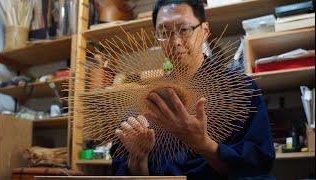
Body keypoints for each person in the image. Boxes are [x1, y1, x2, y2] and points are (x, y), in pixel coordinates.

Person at [112, 0, 275, 179]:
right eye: (164, 32)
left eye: (184, 29)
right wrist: (138, 159)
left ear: (204, 30)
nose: (175, 41)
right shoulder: (149, 101)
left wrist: (202, 144)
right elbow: (128, 169)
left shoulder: (241, 90)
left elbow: (257, 166)